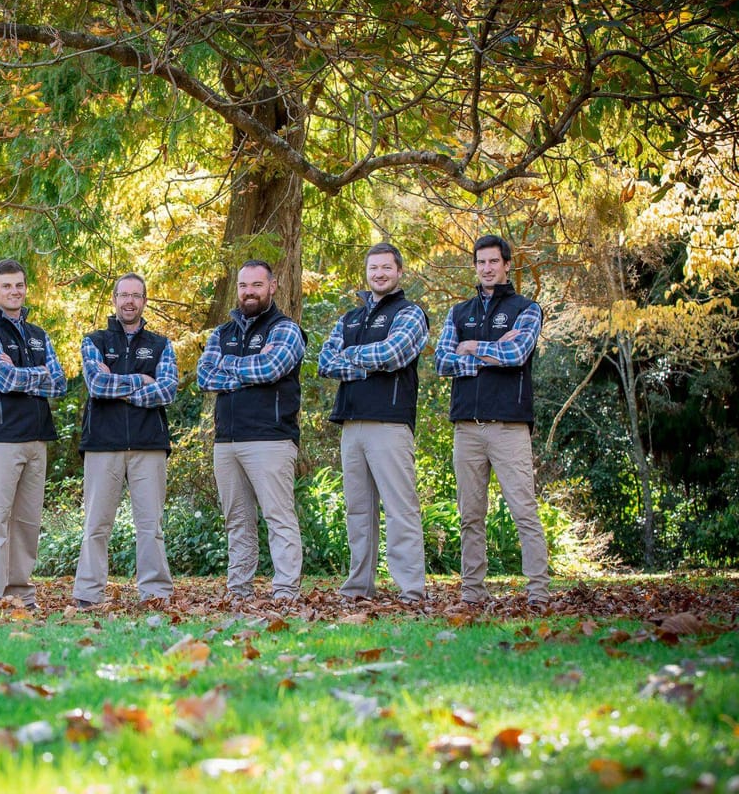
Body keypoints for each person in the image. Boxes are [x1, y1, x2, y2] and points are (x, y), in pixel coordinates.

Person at [434, 234, 551, 607]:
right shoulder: (459, 313)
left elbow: (517, 353)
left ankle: (538, 593)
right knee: (470, 515)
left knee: (524, 511)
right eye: (480, 262)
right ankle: (472, 593)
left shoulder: (526, 309)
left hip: (509, 425)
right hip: (467, 427)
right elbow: (440, 361)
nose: (486, 268)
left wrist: (469, 348)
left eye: (493, 262)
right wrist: (489, 352)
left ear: (506, 265)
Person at [319, 242, 428, 604]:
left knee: (400, 508)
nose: (379, 273)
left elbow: (394, 353)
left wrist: (351, 357)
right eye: (373, 268)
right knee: (358, 511)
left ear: (399, 272)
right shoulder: (350, 318)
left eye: (386, 267)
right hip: (351, 424)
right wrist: (366, 362)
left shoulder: (410, 313)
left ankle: (410, 589)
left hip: (390, 422)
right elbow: (325, 362)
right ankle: (358, 587)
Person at [197, 259, 306, 602]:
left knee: (279, 517)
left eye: (257, 285)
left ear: (272, 287)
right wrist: (246, 368)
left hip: (270, 438)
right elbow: (204, 375)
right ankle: (239, 590)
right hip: (227, 440)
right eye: (244, 286)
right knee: (237, 521)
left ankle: (286, 590)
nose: (249, 292)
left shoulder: (285, 329)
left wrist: (226, 367)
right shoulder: (222, 333)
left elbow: (272, 368)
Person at [0, 259, 67, 608]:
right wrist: (38, 373)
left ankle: (21, 592)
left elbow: (60, 382)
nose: (14, 291)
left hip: (36, 439)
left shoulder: (39, 335)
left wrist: (25, 373)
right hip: (0, 437)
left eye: (19, 285)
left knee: (26, 522)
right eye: (6, 286)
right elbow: (3, 380)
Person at [73, 273, 177, 607]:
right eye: (123, 295)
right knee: (96, 525)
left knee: (151, 527)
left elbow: (167, 390)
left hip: (149, 445)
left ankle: (156, 593)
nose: (129, 301)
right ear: (115, 299)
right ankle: (88, 594)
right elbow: (97, 387)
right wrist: (142, 380)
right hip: (103, 443)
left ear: (145, 301)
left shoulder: (161, 344)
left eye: (136, 295)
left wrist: (119, 384)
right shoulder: (94, 341)